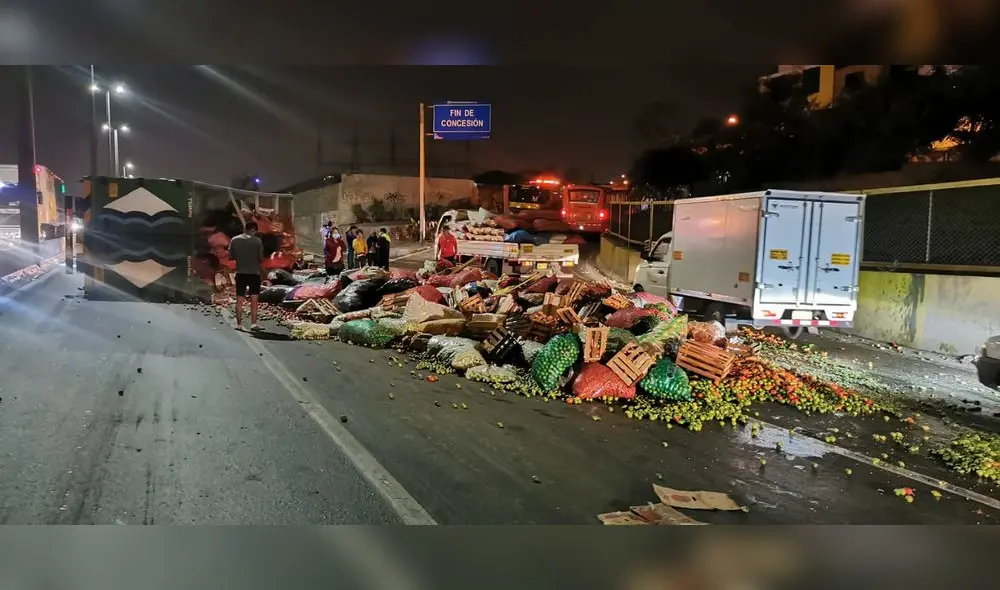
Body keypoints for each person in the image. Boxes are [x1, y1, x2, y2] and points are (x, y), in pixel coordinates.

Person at [228, 221, 265, 331]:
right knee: (254, 298)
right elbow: (261, 259)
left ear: (246, 228)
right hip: (254, 273)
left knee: (240, 298)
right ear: (253, 230)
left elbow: (230, 257)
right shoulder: (257, 241)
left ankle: (239, 324)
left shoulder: (234, 240)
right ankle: (253, 324)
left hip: (240, 273)